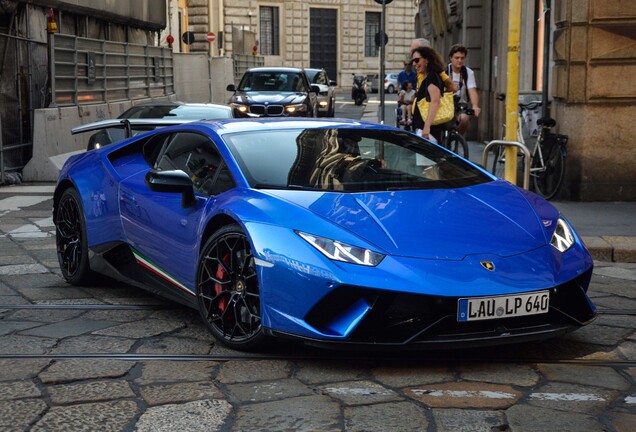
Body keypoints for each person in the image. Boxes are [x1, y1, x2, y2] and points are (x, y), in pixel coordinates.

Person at [410, 46, 449, 143]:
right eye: (413, 61)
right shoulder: (426, 77)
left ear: (426, 60)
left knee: (424, 158)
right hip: (423, 130)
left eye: (417, 60)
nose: (414, 64)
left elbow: (435, 101)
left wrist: (426, 127)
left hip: (428, 132)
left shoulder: (432, 77)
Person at [447, 44, 480, 135]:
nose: (459, 60)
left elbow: (472, 90)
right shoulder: (444, 71)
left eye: (462, 58)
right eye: (456, 58)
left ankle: (457, 139)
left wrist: (475, 105)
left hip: (459, 104)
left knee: (465, 119)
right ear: (451, 58)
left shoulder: (468, 72)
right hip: (444, 103)